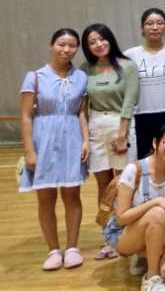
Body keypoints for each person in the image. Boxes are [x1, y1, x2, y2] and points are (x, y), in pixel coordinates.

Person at [19, 28, 89, 271]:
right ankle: (53, 249)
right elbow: (25, 116)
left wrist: (86, 140)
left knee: (72, 196)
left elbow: (82, 112)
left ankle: (72, 247)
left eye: (72, 45)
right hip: (44, 140)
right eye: (61, 44)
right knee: (46, 198)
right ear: (51, 45)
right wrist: (30, 150)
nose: (66, 49)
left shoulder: (81, 77)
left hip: (72, 139)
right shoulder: (35, 77)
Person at [102, 122, 165, 291]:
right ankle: (151, 277)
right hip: (124, 234)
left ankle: (148, 257)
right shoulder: (134, 170)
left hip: (160, 234)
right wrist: (156, 201)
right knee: (158, 213)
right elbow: (121, 218)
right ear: (155, 143)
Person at [81, 23, 139, 260]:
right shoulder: (85, 69)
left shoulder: (127, 66)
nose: (98, 44)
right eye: (92, 42)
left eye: (102, 39)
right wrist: (85, 138)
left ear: (110, 39)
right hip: (96, 127)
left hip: (121, 125)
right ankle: (108, 236)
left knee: (122, 183)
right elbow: (83, 105)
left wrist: (122, 134)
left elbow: (129, 101)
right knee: (103, 185)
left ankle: (125, 235)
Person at [126, 8, 165, 160]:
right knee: (144, 161)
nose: (155, 27)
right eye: (149, 23)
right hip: (141, 116)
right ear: (142, 28)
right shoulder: (130, 55)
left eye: (160, 23)